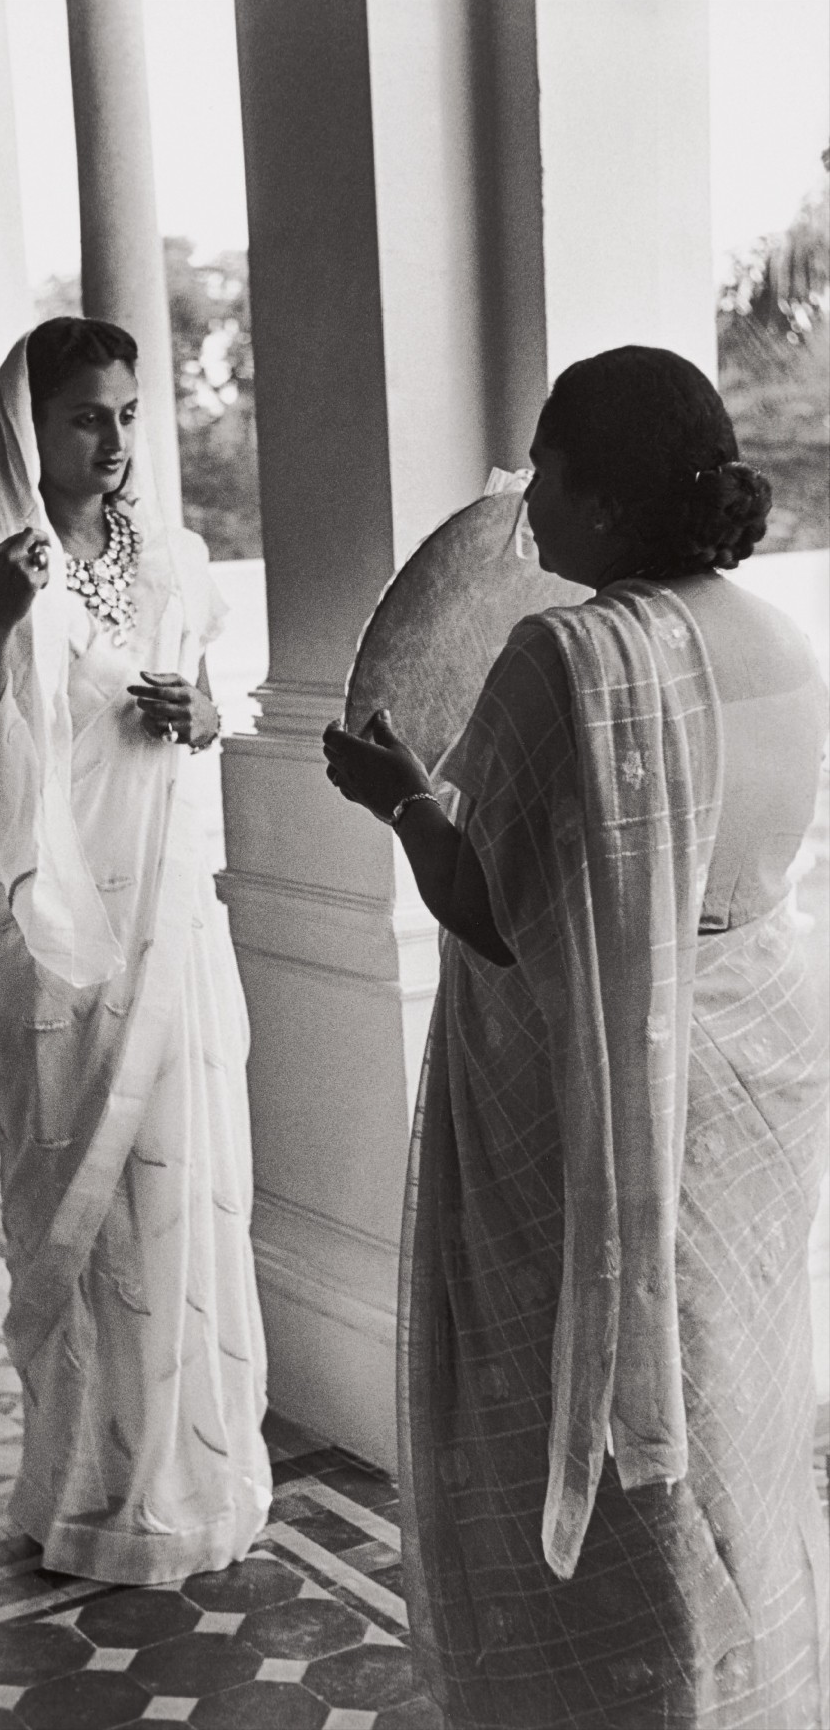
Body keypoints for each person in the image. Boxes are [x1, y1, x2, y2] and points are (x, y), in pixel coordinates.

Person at [324, 347, 828, 1729]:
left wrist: (397, 797)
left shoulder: (565, 654)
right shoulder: (780, 636)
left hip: (609, 1075)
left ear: (601, 497)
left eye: (543, 471)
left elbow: (489, 911)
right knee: (729, 1395)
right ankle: (751, 1683)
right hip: (753, 1061)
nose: (523, 502)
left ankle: (615, 1690)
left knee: (592, 1403)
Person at [0, 317, 271, 1584]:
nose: (110, 441)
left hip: (171, 918)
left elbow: (208, 697)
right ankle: (87, 1490)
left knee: (177, 1191)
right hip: (54, 938)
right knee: (74, 1209)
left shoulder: (168, 555)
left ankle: (191, 1478)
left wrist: (201, 712)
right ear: (26, 423)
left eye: (124, 415)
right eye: (83, 417)